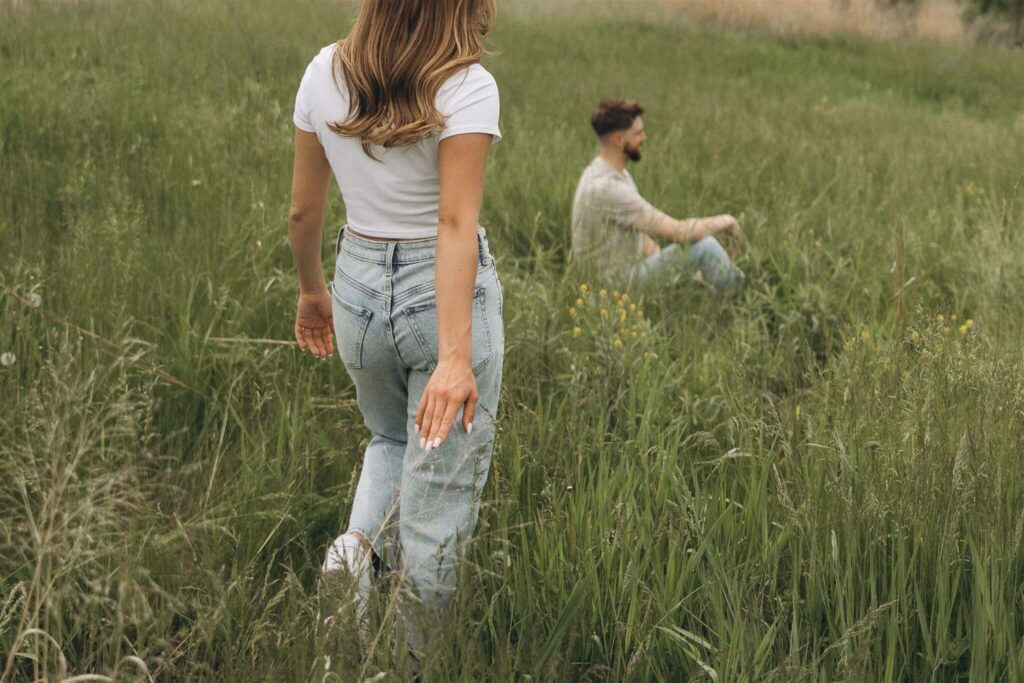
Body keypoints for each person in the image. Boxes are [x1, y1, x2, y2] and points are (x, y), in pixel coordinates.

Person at [286, 0, 504, 664]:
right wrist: (456, 356)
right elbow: (453, 226)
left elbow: (301, 209)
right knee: (437, 506)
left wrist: (312, 290)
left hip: (355, 286)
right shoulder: (466, 86)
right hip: (435, 294)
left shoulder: (323, 72)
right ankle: (413, 665)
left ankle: (357, 551)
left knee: (388, 435)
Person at [571, 99, 745, 291]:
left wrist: (682, 271)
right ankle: (738, 296)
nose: (644, 137)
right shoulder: (608, 188)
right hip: (612, 287)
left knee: (698, 260)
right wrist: (726, 221)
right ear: (619, 140)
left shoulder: (606, 171)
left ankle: (735, 284)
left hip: (620, 275)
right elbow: (679, 233)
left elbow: (638, 233)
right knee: (705, 247)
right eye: (638, 133)